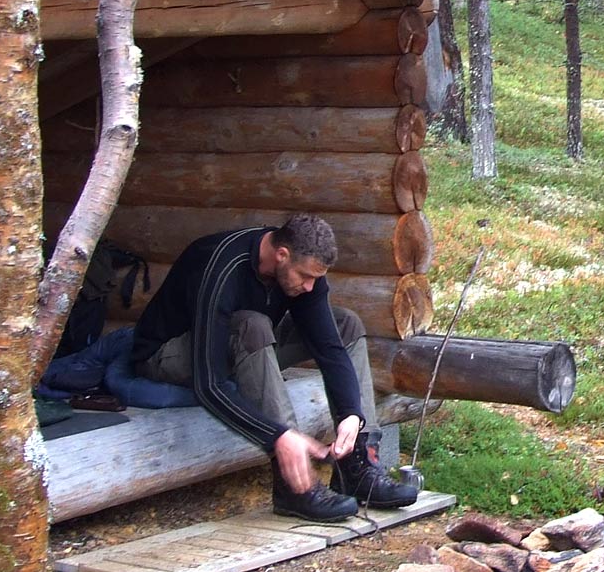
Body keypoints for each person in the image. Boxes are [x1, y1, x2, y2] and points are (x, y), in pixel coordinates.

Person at [130, 213, 420, 520]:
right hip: (168, 356)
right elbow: (210, 384)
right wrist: (279, 436)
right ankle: (292, 486)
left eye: (315, 279)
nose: (310, 287)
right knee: (253, 324)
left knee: (345, 323)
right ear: (281, 255)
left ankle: (357, 465)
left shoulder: (303, 275)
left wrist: (352, 413)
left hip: (243, 347)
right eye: (305, 276)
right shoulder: (221, 267)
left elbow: (330, 348)